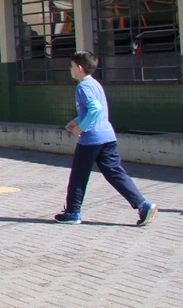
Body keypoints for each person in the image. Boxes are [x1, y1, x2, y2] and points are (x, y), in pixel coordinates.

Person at [54, 51, 158, 226]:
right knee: (115, 173)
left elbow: (95, 108)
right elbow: (92, 110)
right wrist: (76, 120)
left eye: (72, 66)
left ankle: (73, 212)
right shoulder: (95, 84)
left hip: (91, 139)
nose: (70, 69)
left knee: (78, 176)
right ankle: (143, 205)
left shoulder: (83, 87)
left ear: (79, 68)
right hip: (107, 137)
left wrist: (82, 127)